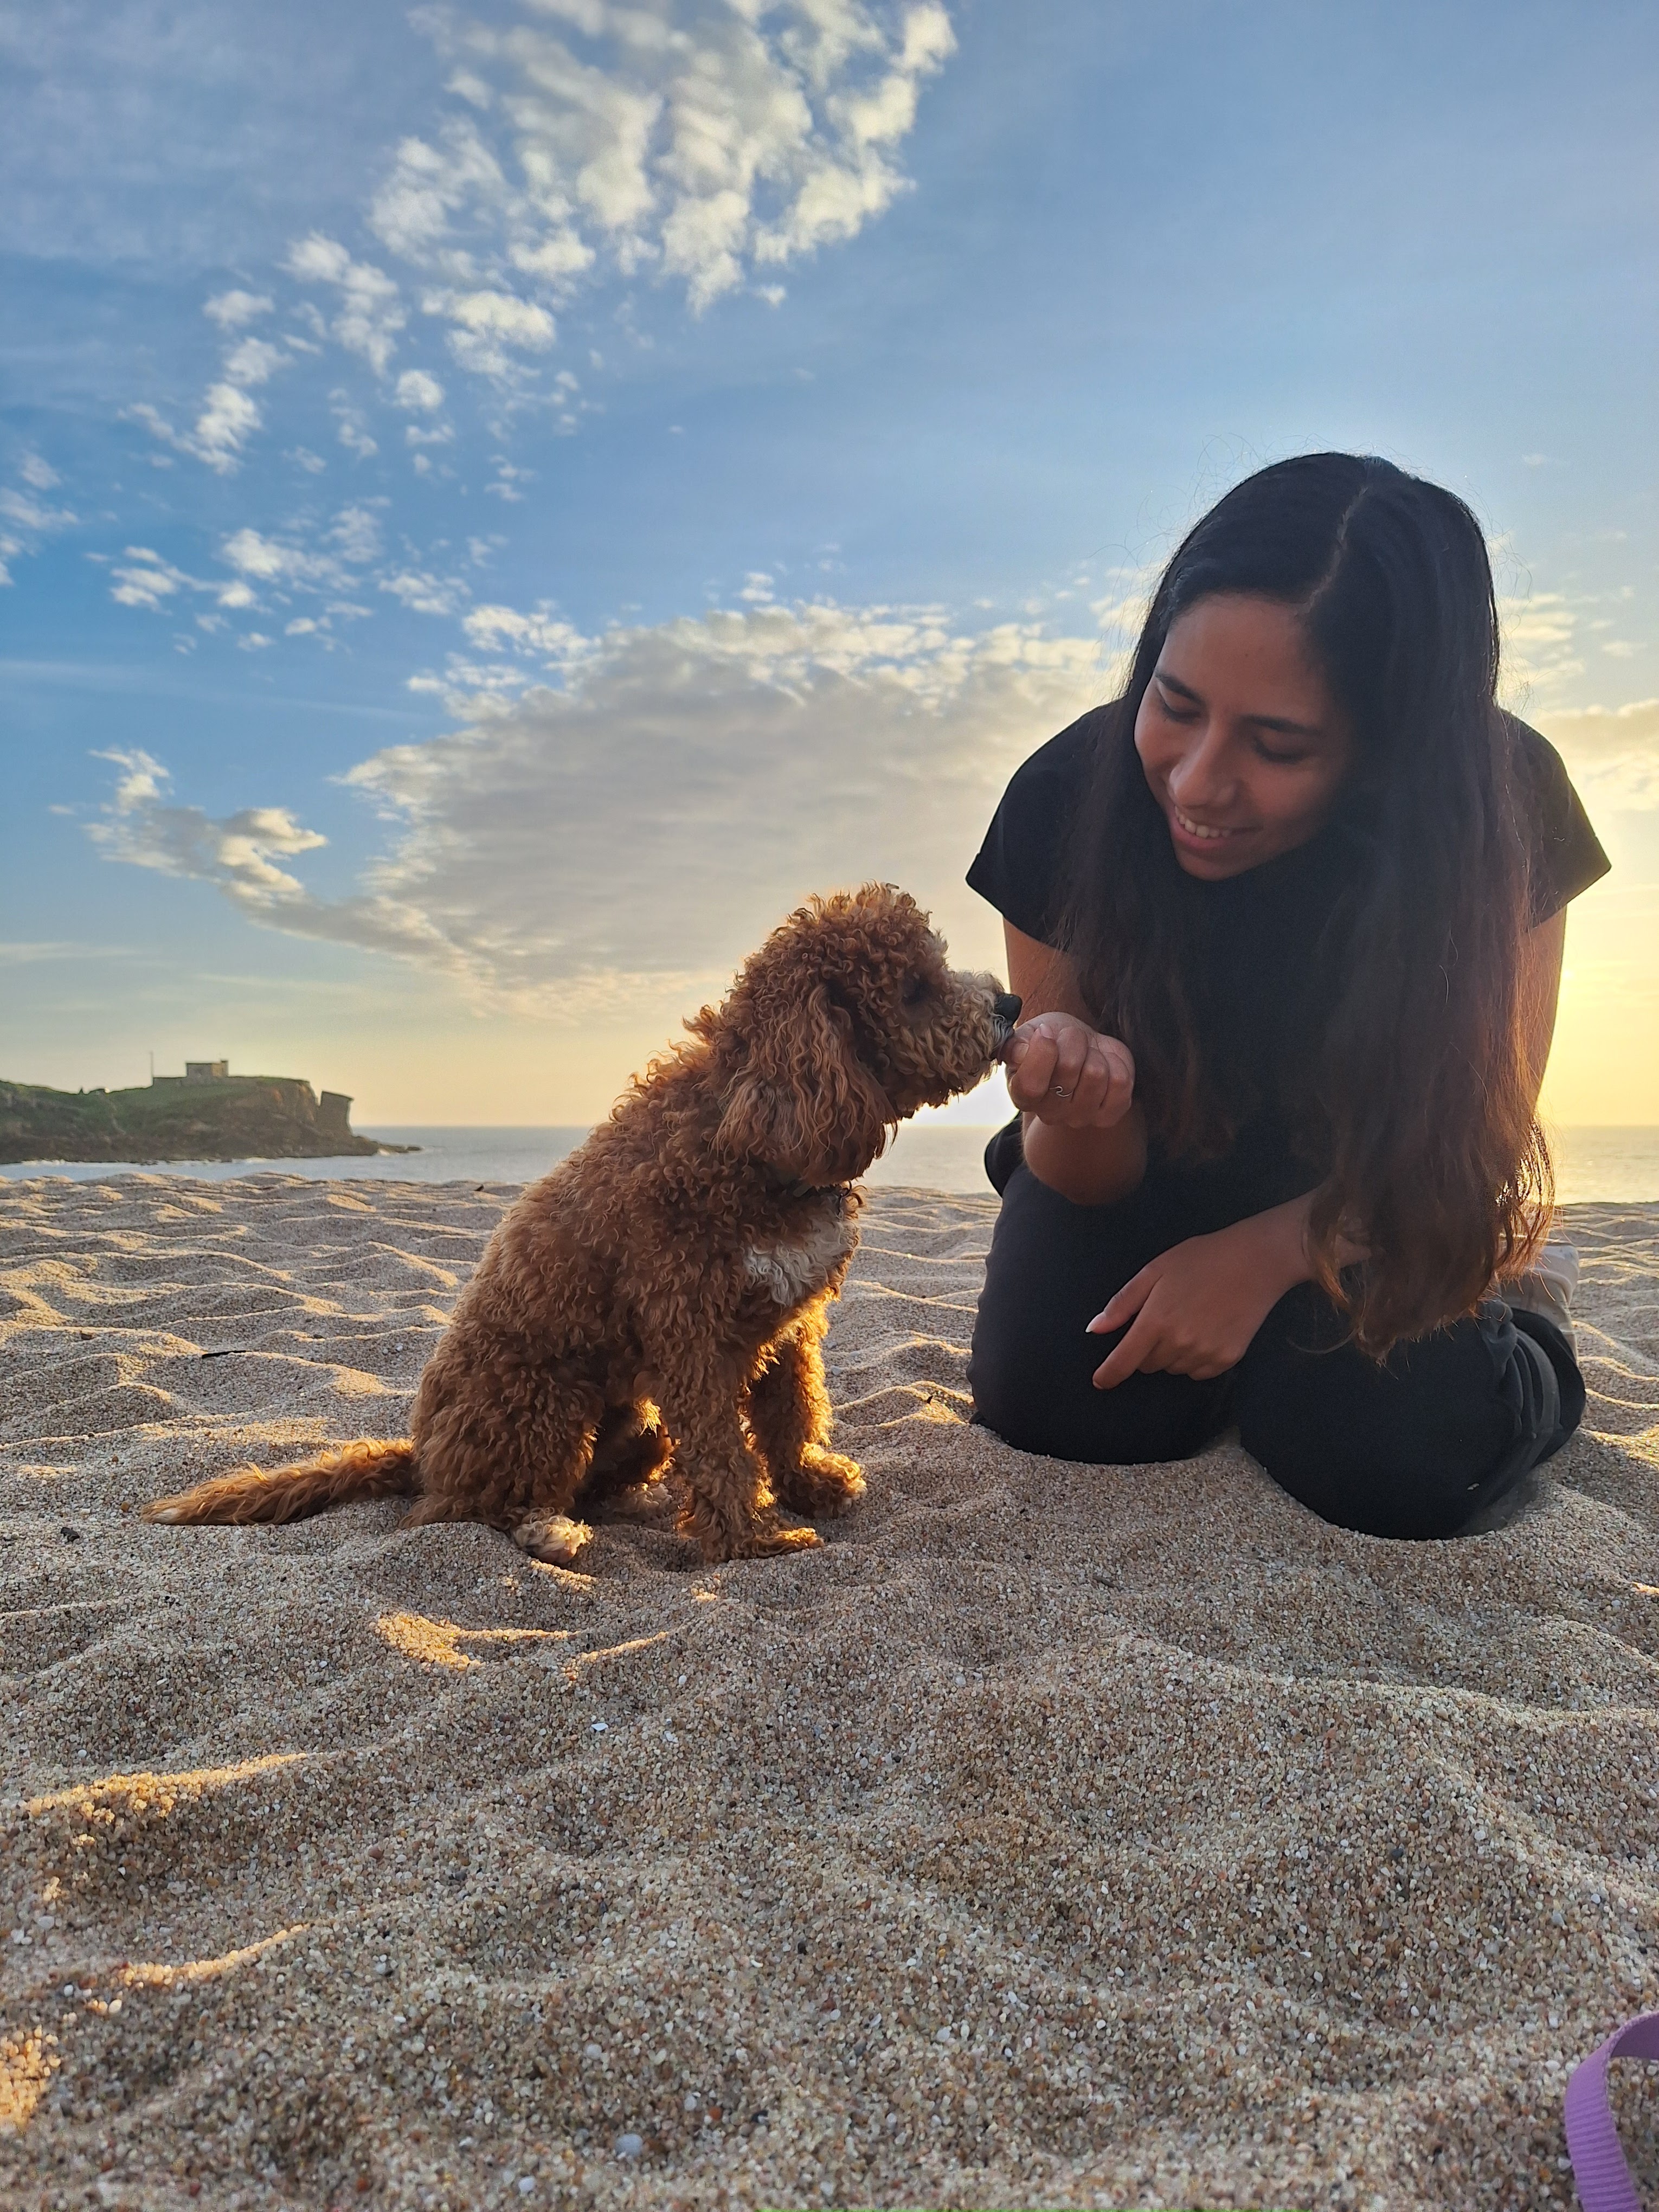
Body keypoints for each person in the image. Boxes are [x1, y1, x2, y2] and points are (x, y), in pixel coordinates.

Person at [966, 453, 1609, 1540]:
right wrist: (1080, 1100)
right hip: (1136, 1181)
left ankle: (1523, 1326)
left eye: (1279, 745)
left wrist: (1261, 1261)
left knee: (1400, 1461)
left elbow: (1475, 1141)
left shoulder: (1497, 810)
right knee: (1049, 1402)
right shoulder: (1063, 800)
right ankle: (1267, 1363)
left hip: (1383, 1185)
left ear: (1388, 748)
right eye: (1175, 705)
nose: (1199, 781)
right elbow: (1081, 1174)